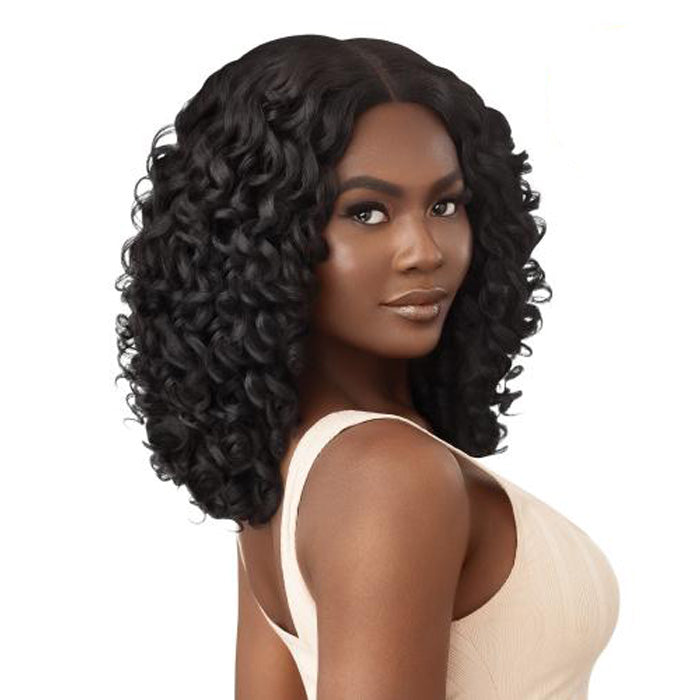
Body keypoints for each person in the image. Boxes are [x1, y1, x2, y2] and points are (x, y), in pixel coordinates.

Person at [115, 34, 620, 699]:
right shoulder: (388, 472)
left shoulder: (294, 472)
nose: (424, 250)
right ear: (265, 240)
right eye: (367, 212)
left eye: (444, 205)